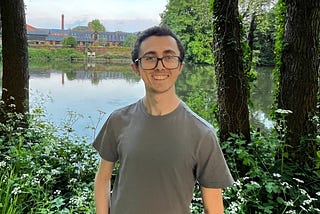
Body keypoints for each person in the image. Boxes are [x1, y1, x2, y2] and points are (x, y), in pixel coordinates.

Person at [93, 25, 234, 214]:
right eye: (150, 58)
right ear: (136, 67)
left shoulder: (202, 134)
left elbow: (214, 209)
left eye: (169, 57)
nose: (160, 66)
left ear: (180, 66)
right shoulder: (118, 121)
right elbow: (103, 179)